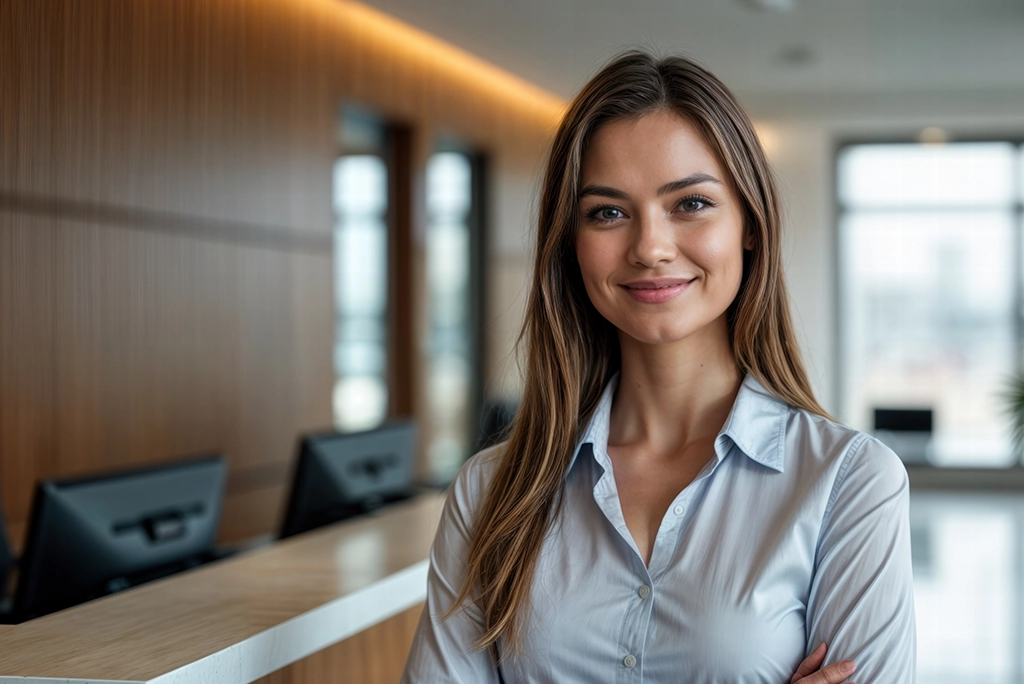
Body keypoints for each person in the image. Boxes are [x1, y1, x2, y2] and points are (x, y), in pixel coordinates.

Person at [402, 50, 916, 683]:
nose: (649, 247)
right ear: (572, 242)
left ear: (749, 225)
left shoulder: (849, 484)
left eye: (691, 204)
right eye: (608, 212)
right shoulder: (490, 494)